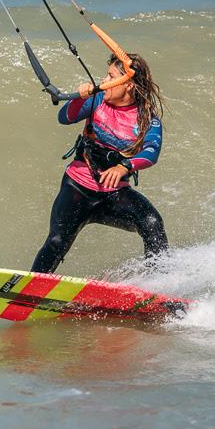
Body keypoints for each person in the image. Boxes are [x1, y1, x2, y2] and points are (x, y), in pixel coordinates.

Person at [30, 53, 167, 274]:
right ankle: (30, 289)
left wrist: (125, 166)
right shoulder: (97, 100)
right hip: (77, 188)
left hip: (114, 195)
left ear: (128, 85)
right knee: (56, 241)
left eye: (110, 76)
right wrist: (81, 98)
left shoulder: (146, 120)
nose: (103, 81)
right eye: (105, 75)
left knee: (152, 222)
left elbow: (151, 152)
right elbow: (64, 118)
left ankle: (158, 285)